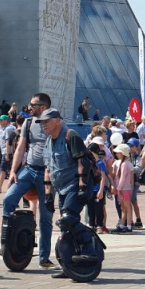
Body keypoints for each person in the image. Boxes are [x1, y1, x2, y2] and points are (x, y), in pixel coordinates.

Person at [37, 108, 95, 279]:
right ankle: (69, 266)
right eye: (41, 122)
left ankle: (90, 249)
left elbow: (82, 161)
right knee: (65, 227)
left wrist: (82, 185)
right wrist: (48, 194)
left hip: (76, 185)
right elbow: (48, 168)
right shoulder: (48, 142)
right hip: (61, 188)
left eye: (46, 121)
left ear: (57, 120)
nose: (43, 125)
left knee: (68, 218)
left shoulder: (71, 136)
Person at [112, 143, 135, 232]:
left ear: (123, 153)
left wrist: (118, 188)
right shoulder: (121, 163)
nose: (116, 154)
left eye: (118, 152)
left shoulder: (125, 164)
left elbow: (123, 178)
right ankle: (122, 225)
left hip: (124, 189)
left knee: (127, 207)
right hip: (122, 188)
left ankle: (128, 226)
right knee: (123, 208)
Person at [0, 115, 16, 191]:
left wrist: (7, 153)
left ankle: (0, 187)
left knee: (3, 169)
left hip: (7, 151)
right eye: (0, 120)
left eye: (2, 120)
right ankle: (3, 187)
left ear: (6, 121)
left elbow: (9, 142)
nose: (0, 121)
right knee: (4, 168)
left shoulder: (9, 129)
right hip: (2, 148)